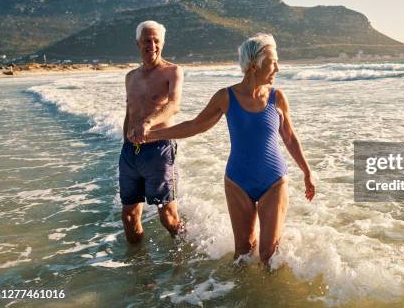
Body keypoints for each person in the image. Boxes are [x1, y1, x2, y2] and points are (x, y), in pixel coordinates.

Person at [143, 33, 315, 262]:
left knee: (268, 255)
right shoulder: (226, 97)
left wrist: (307, 172)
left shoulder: (277, 98)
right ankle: (237, 296)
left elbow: (290, 138)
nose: (278, 68)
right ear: (254, 64)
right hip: (237, 182)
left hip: (273, 181)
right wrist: (151, 136)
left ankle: (264, 296)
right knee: (243, 252)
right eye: (273, 62)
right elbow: (195, 126)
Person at [119, 20, 184, 244]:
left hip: (159, 149)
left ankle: (186, 259)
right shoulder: (130, 77)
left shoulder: (172, 72)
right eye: (147, 40)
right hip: (130, 153)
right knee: (128, 216)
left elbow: (174, 105)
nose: (153, 45)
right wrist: (124, 144)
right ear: (138, 43)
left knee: (168, 217)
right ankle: (139, 268)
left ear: (163, 43)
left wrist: (148, 122)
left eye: (157, 41)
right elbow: (129, 112)